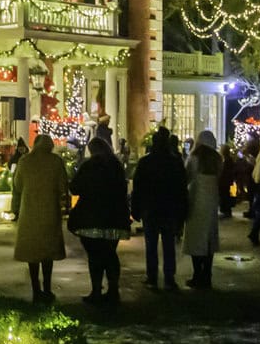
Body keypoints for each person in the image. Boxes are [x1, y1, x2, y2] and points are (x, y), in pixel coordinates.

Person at [69, 137, 131, 306]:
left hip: (91, 217)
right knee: (110, 254)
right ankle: (113, 289)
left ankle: (96, 290)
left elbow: (75, 187)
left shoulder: (89, 166)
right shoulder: (116, 166)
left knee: (95, 256)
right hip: (114, 217)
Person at [10, 134, 68, 302]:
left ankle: (36, 289)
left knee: (32, 252)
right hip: (50, 211)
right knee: (47, 253)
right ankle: (47, 288)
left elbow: (17, 185)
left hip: (29, 211)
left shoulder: (25, 161)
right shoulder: (55, 162)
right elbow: (62, 185)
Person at [131, 127, 188, 291]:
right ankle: (169, 278)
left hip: (151, 209)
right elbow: (181, 188)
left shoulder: (146, 162)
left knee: (151, 245)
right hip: (169, 209)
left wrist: (136, 209)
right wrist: (182, 211)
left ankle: (152, 277)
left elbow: (138, 187)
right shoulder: (175, 162)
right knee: (169, 245)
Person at [183, 130, 223, 288]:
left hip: (196, 198)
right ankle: (207, 274)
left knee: (195, 237)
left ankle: (197, 274)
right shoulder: (217, 159)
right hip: (212, 200)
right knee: (209, 238)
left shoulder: (194, 157)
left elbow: (187, 176)